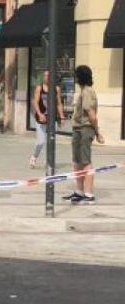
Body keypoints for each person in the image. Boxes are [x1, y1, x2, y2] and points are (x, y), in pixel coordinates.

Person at [64, 65, 104, 206]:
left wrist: (97, 131)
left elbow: (91, 115)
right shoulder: (83, 91)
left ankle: (89, 195)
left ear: (80, 77)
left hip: (85, 129)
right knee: (77, 161)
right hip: (78, 129)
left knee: (85, 162)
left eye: (76, 75)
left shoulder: (87, 91)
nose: (75, 78)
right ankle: (79, 192)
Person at [30, 70, 65, 169]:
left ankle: (48, 161)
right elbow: (35, 102)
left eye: (49, 75)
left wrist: (62, 117)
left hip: (52, 119)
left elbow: (59, 103)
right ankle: (34, 157)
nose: (47, 77)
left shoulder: (56, 89)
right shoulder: (39, 88)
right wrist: (39, 113)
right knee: (41, 141)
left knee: (51, 140)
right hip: (41, 118)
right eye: (45, 75)